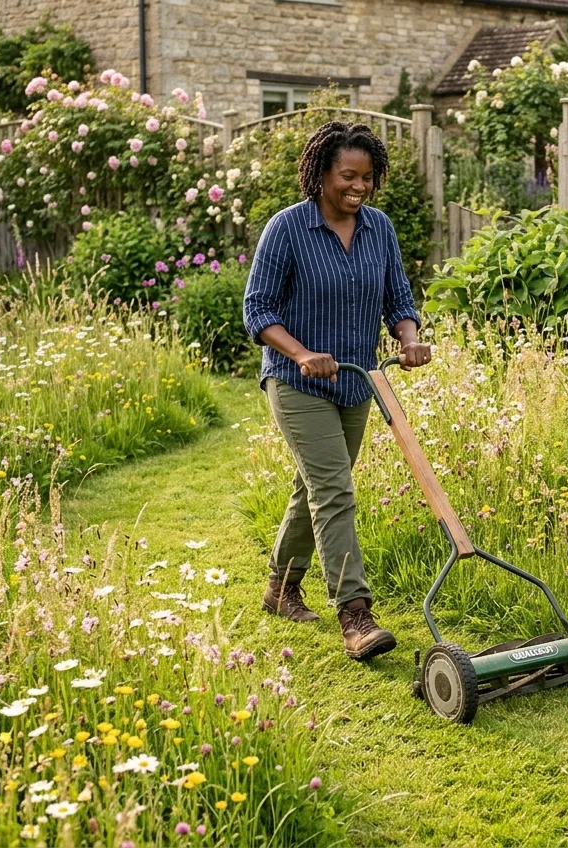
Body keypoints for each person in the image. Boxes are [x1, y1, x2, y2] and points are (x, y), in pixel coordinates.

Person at [243, 121, 431, 661]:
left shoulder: (379, 230)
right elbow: (258, 310)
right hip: (295, 379)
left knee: (316, 487)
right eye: (348, 175)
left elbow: (399, 299)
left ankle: (280, 588)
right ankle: (355, 613)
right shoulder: (287, 229)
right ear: (321, 174)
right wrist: (301, 353)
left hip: (355, 381)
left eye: (368, 177)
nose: (360, 186)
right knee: (334, 491)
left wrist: (410, 338)